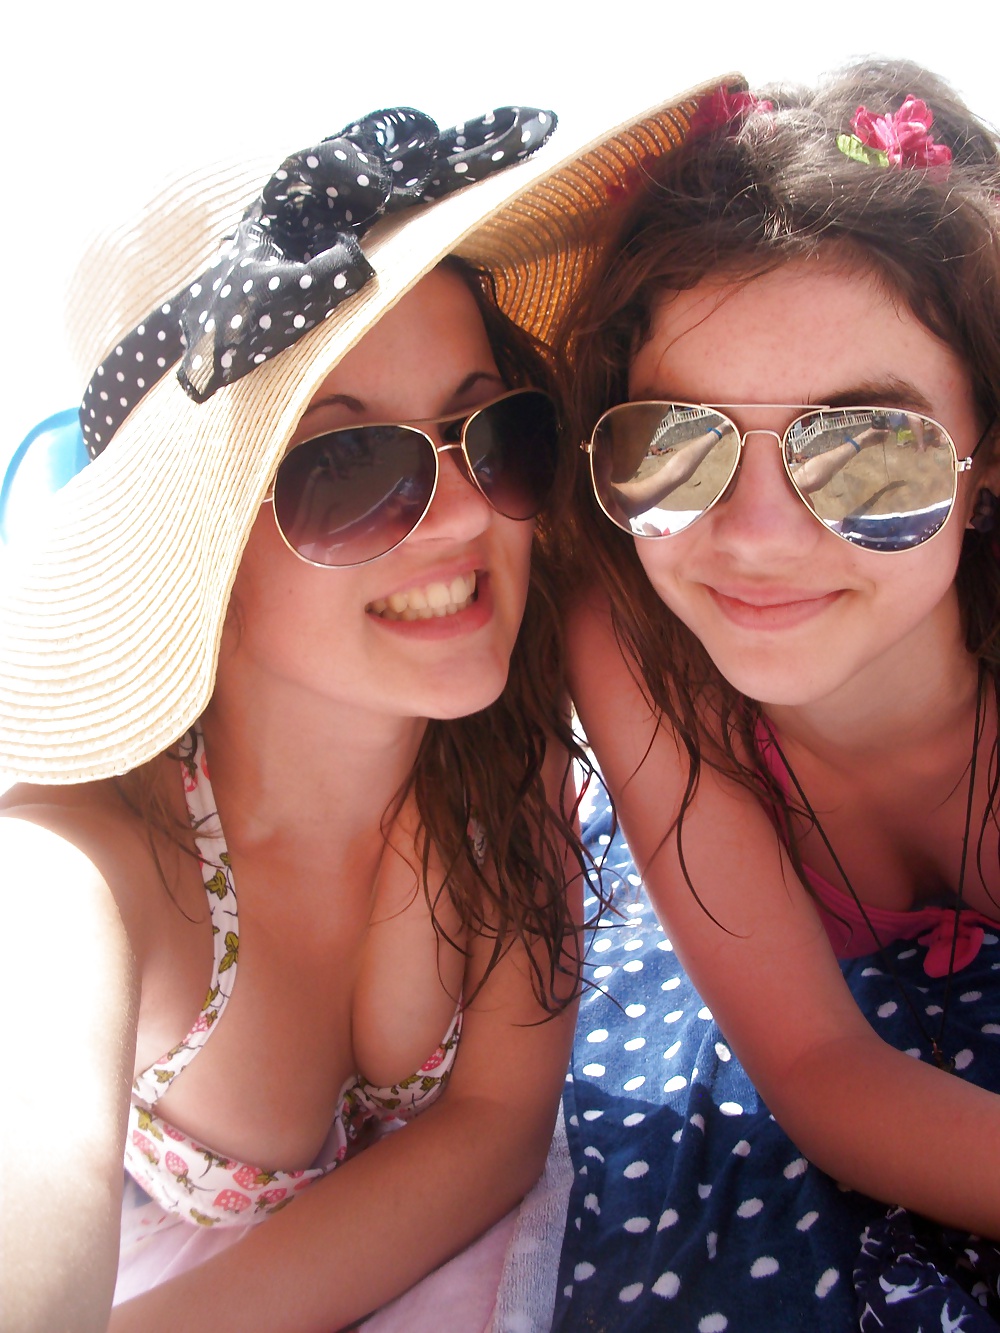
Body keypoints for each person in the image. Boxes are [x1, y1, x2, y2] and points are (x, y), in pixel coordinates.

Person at [0, 94, 701, 1333]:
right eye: (347, 468)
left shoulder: (508, 732)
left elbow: (497, 1125)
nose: (465, 514)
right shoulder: (78, 860)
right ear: (198, 549)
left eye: (494, 433)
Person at [562, 61, 1000, 1248]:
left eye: (869, 447)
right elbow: (817, 1066)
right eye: (673, 440)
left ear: (985, 464)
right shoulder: (634, 639)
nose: (754, 536)